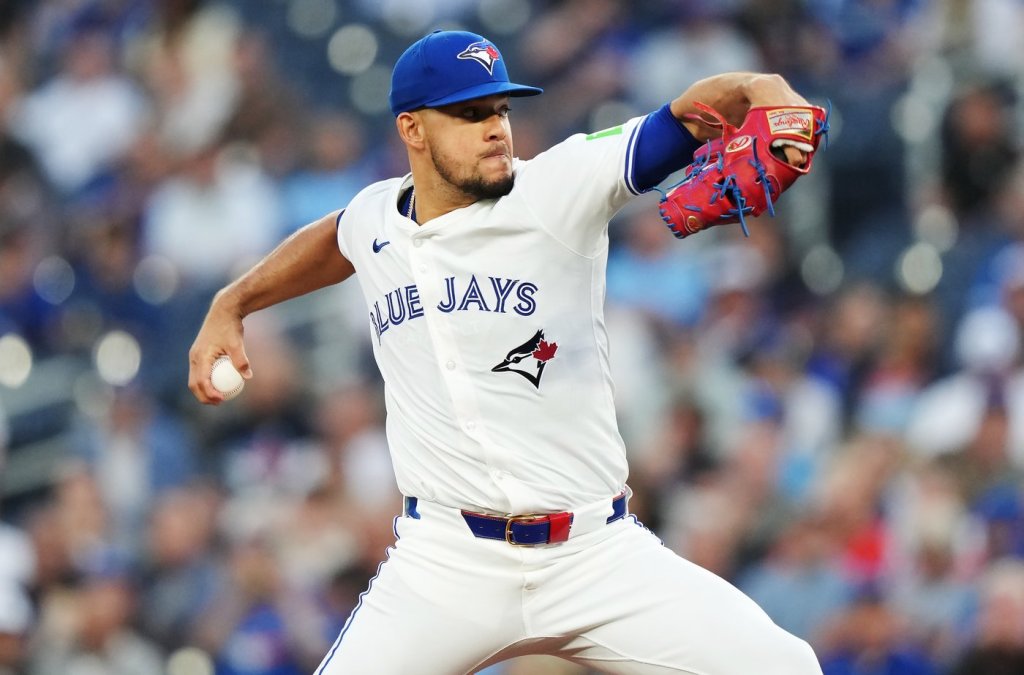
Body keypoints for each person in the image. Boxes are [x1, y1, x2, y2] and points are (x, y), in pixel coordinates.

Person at [188, 29, 824, 675]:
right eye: (470, 114)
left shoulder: (558, 186)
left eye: (500, 109)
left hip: (593, 554)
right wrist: (233, 303)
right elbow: (335, 239)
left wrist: (764, 88)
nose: (495, 128)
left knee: (787, 667)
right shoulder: (377, 218)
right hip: (446, 563)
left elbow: (690, 114)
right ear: (412, 128)